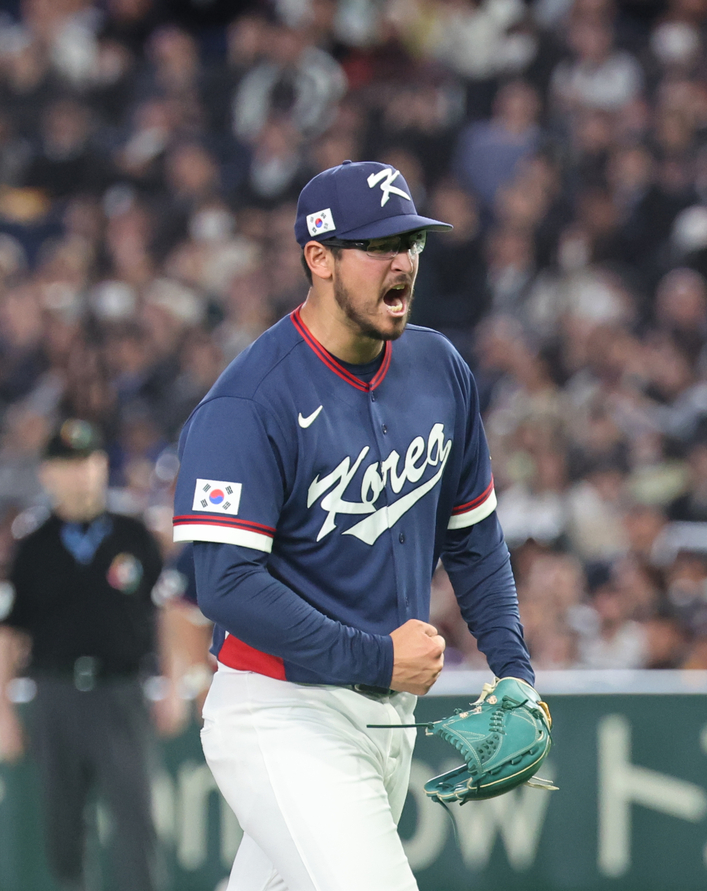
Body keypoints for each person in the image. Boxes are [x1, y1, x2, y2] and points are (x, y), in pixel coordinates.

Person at [172, 160, 537, 891]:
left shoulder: (438, 368)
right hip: (281, 709)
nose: (401, 260)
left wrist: (514, 672)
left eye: (410, 241)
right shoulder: (248, 402)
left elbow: (472, 536)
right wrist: (375, 656)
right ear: (319, 258)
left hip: (383, 712)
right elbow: (225, 585)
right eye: (377, 245)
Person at [0, 419, 168, 891]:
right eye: (67, 464)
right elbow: (5, 633)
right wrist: (2, 710)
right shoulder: (33, 547)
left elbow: (167, 612)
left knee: (136, 825)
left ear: (103, 466)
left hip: (121, 692)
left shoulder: (134, 535)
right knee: (63, 830)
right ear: (47, 474)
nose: (80, 473)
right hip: (56, 696)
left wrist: (172, 684)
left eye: (88, 461)